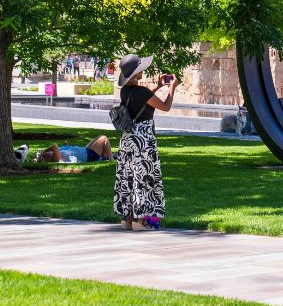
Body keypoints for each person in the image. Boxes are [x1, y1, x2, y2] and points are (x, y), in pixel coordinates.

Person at [114, 54, 178, 231]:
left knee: (129, 176)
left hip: (128, 139)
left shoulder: (125, 90)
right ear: (136, 73)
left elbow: (143, 99)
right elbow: (165, 106)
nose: (144, 70)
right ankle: (142, 221)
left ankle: (128, 218)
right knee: (144, 177)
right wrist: (172, 88)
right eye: (141, 69)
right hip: (143, 140)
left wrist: (157, 86)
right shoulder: (141, 92)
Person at [34, 136, 113, 163]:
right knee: (103, 138)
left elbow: (66, 152)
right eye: (45, 156)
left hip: (86, 150)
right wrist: (42, 153)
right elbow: (54, 146)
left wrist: (66, 145)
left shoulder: (59, 152)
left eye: (45, 154)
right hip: (90, 155)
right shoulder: (56, 158)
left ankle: (104, 157)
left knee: (99, 138)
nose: (46, 154)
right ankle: (111, 160)